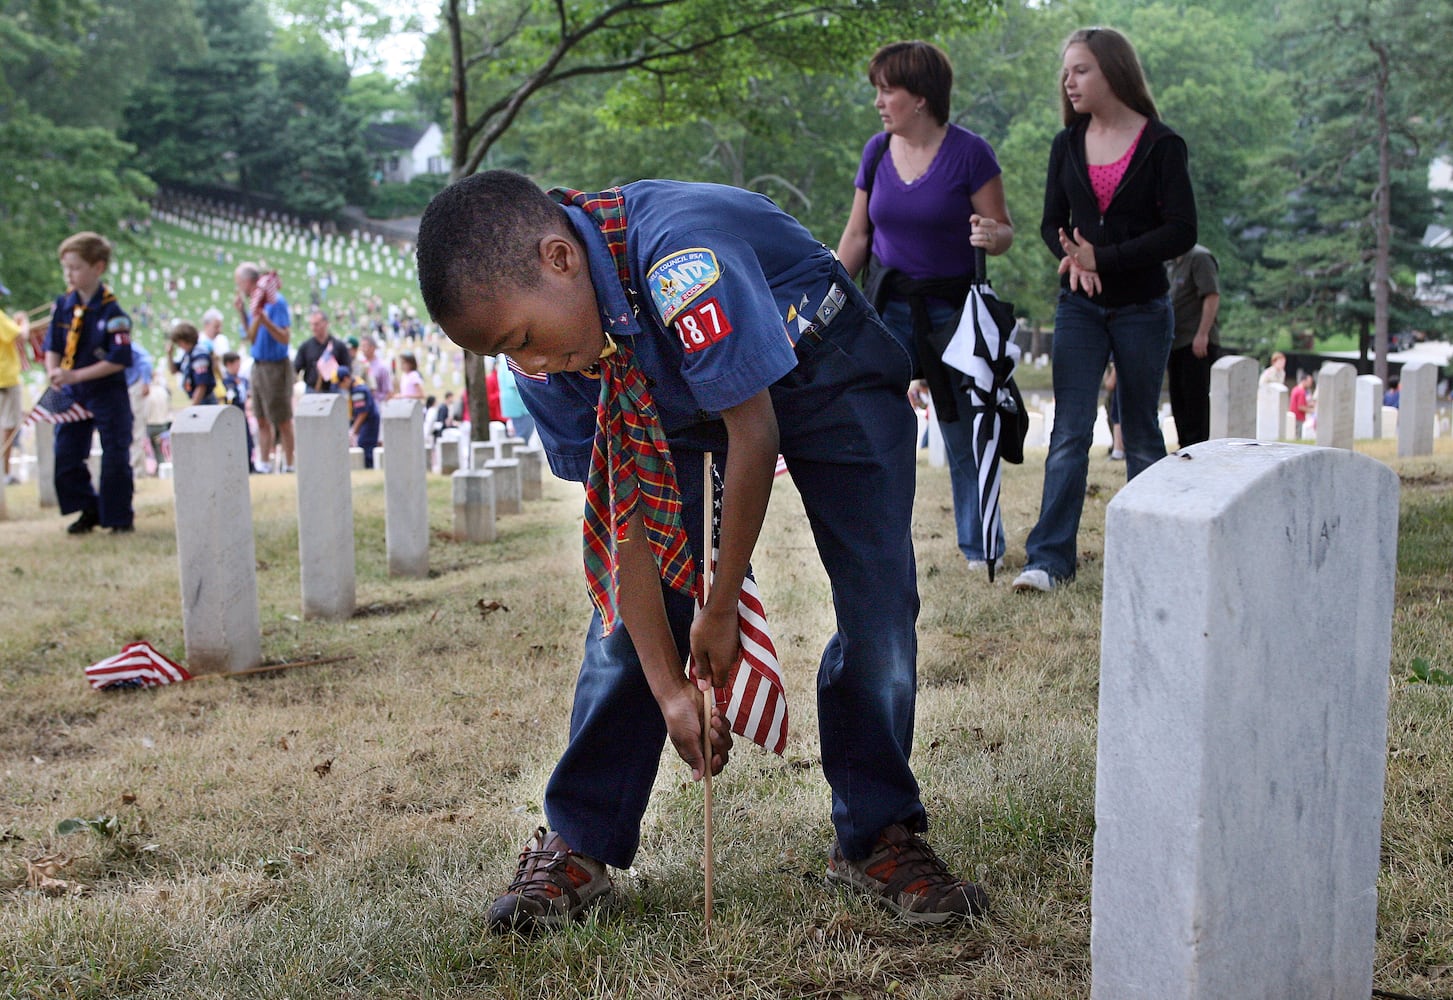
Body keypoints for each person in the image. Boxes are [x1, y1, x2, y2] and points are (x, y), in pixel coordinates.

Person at [416, 170, 987, 933]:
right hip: (668, 400)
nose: (533, 369)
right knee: (621, 638)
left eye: (521, 340)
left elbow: (752, 432)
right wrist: (669, 687)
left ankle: (876, 833)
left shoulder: (680, 258)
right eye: (504, 357)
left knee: (877, 603)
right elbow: (627, 527)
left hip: (823, 364)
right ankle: (579, 841)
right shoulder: (546, 366)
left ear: (559, 259)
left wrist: (718, 611)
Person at [1012, 27, 1197, 593]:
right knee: (1069, 431)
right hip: (1079, 310)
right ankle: (1048, 561)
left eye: (1081, 69)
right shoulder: (1065, 144)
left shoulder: (1162, 145)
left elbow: (1182, 231)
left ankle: (1153, 554)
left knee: (1140, 431)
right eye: (1066, 71)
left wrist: (1106, 257)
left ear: (1115, 71)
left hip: (1143, 308)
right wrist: (1075, 259)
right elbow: (1050, 222)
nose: (1069, 81)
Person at [834, 40, 1015, 574]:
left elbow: (1004, 232)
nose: (879, 101)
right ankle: (881, 548)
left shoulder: (970, 153)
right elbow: (857, 234)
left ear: (921, 98)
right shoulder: (876, 151)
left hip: (953, 313)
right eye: (878, 90)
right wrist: (826, 295)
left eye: (888, 90)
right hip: (887, 307)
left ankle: (981, 548)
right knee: (877, 429)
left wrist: (991, 234)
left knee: (963, 434)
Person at [43, 231, 135, 534]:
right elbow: (53, 344)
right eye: (65, 268)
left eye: (76, 267)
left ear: (97, 267)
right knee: (66, 453)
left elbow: (119, 358)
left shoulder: (113, 312)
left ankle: (118, 517)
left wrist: (76, 375)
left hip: (105, 391)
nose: (68, 274)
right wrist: (54, 371)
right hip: (70, 391)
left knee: (115, 455)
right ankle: (88, 507)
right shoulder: (63, 305)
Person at [234, 262, 293, 473]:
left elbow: (285, 338)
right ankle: (264, 463)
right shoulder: (255, 303)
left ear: (248, 282)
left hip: (275, 365)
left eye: (239, 282)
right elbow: (252, 336)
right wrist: (242, 313)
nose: (238, 286)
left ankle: (289, 463)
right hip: (258, 364)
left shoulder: (275, 302)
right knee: (260, 417)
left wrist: (266, 321)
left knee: (282, 418)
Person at [1165, 244, 1220, 448]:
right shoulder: (1171, 261)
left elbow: (1211, 295)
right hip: (1176, 341)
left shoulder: (1200, 258)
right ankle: (1185, 446)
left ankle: (1197, 446)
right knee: (1178, 399)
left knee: (1194, 398)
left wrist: (1202, 333)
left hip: (1196, 342)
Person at [293, 308, 352, 393]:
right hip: (312, 390)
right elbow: (296, 367)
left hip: (334, 390)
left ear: (325, 323)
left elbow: (347, 367)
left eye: (316, 324)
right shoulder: (305, 347)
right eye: (312, 325)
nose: (313, 328)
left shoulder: (338, 346)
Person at [0, 307, 27, 485]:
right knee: (7, 428)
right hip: (5, 379)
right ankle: (4, 473)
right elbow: (21, 336)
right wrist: (24, 322)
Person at [220, 351, 256, 473]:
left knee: (248, 441)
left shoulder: (243, 380)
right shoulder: (225, 382)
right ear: (228, 364)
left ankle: (250, 465)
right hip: (232, 412)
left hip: (243, 412)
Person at [124, 340, 154, 478]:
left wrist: (146, 381)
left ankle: (137, 472)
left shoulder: (129, 346)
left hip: (135, 387)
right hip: (126, 388)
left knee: (136, 431)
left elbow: (146, 361)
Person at [169, 321, 218, 405]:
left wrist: (194, 407)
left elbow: (202, 385)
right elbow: (174, 370)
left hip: (204, 401)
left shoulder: (199, 356)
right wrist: (169, 355)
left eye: (179, 342)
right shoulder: (188, 355)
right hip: (197, 399)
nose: (179, 345)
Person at [340, 367, 379, 468]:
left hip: (369, 422)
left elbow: (363, 413)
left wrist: (353, 430)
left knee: (365, 447)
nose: (341, 387)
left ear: (345, 379)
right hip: (366, 422)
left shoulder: (358, 391)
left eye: (340, 384)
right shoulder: (356, 387)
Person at [495, 354, 535, 444]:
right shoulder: (509, 361)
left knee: (522, 434)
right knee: (522, 435)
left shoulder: (503, 361)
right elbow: (514, 382)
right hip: (519, 406)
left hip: (516, 405)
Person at [143, 370, 172, 472]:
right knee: (160, 449)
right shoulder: (163, 391)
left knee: (148, 450)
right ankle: (161, 469)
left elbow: (145, 410)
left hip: (150, 424)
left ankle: (152, 470)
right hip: (162, 424)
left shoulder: (147, 391)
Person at [358, 334, 393, 398]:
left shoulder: (382, 367)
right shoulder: (360, 364)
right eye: (361, 346)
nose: (362, 349)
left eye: (364, 346)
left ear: (373, 347)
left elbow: (388, 393)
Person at [1290, 372, 1314, 438]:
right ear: (1304, 381)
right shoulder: (1301, 392)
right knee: (1298, 436)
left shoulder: (1295, 389)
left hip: (1294, 417)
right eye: (1309, 382)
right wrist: (1312, 411)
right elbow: (1300, 407)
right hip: (1299, 418)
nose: (1310, 384)